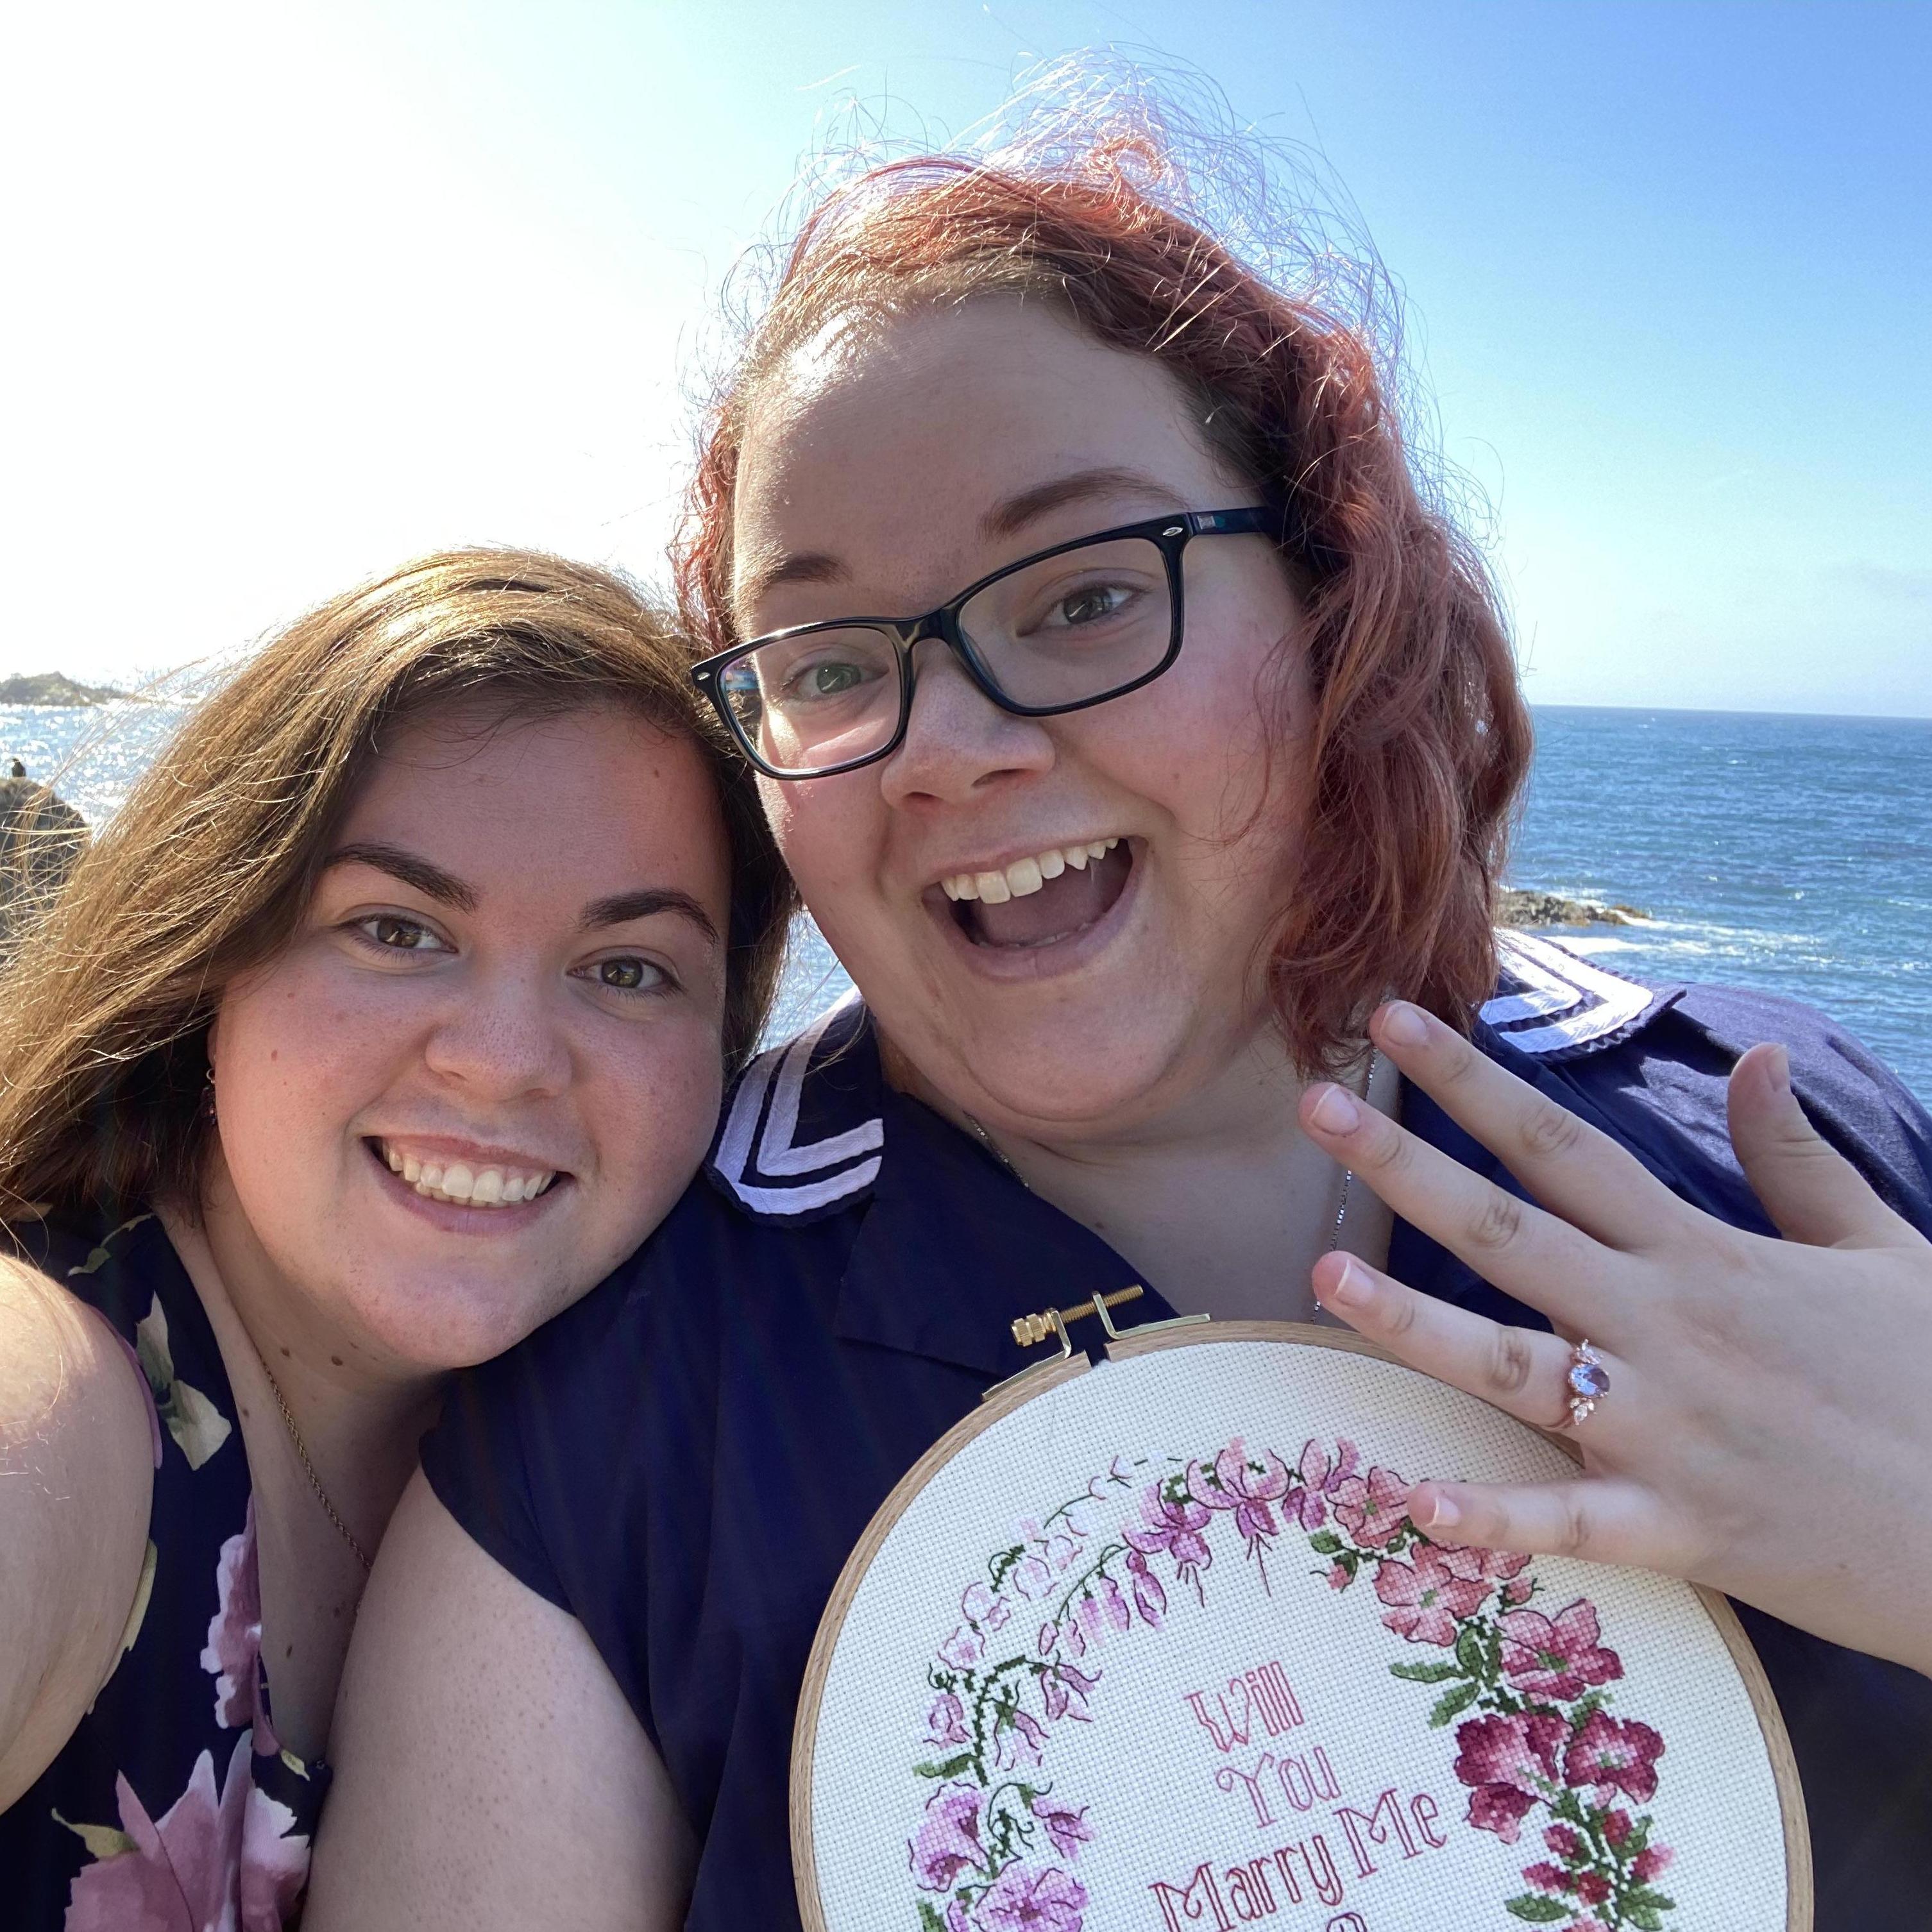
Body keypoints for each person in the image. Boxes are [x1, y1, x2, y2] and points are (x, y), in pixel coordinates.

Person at [311, 105, 1932, 1932]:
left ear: (1331, 597)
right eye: (829, 662)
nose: (945, 746)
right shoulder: (630, 1408)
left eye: (1085, 593)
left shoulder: (1784, 1148)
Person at [0, 548, 792, 1928]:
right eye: (397, 929)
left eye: (627, 969)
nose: (505, 1061)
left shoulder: (645, 1452)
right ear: (215, 952)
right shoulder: (60, 1407)